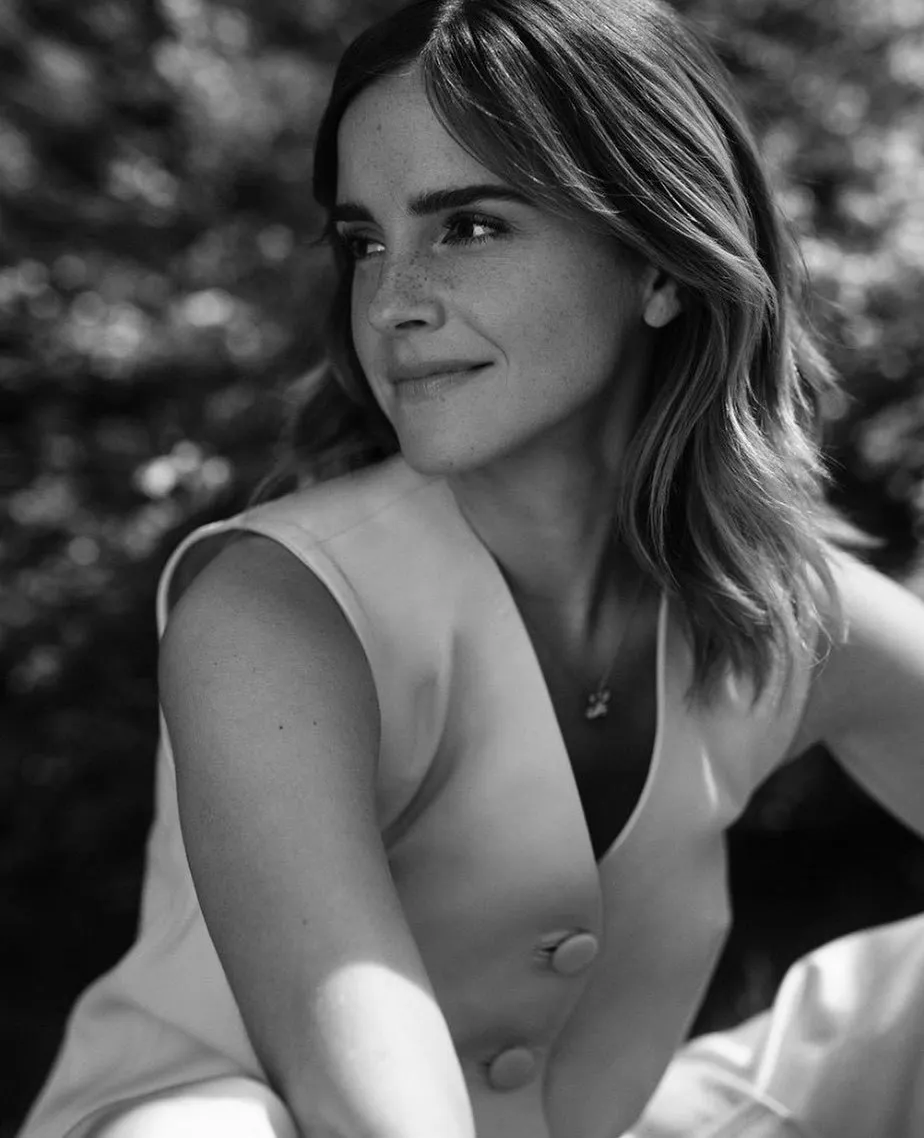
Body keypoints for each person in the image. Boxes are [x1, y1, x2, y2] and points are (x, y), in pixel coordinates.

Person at [18, 0, 924, 1135]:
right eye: (364, 243)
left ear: (659, 266)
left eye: (470, 226)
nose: (394, 302)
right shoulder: (273, 611)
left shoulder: (776, 604)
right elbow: (374, 1112)